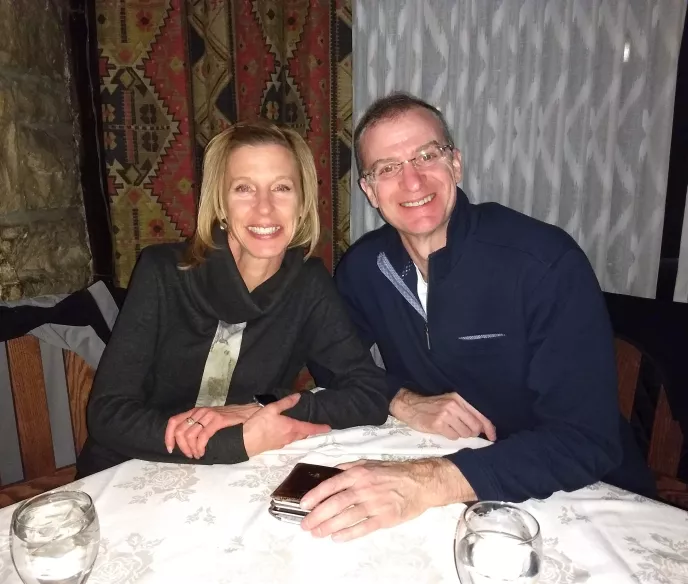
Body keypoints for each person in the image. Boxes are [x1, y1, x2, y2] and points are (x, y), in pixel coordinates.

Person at [300, 93, 654, 542]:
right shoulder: (366, 268)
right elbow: (330, 356)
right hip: (457, 480)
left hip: (584, 496)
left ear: (456, 164)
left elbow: (586, 440)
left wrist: (428, 480)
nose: (412, 180)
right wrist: (401, 400)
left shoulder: (543, 262)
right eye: (387, 168)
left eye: (427, 155)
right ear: (370, 191)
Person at [77, 120, 388, 477]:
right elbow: (108, 414)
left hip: (232, 478)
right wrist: (236, 441)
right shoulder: (162, 272)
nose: (265, 208)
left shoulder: (308, 284)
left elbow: (369, 394)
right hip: (132, 467)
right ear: (220, 204)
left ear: (302, 203)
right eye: (244, 189)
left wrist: (260, 409)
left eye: (282, 188)